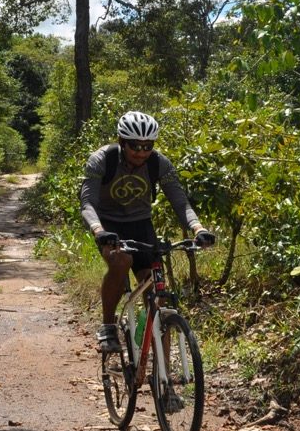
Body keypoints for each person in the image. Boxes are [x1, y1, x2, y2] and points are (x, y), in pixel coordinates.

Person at [80, 111, 216, 353]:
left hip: (142, 225)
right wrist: (99, 230)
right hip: (109, 226)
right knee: (121, 260)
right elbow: (88, 202)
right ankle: (108, 326)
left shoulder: (158, 163)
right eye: (135, 146)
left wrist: (198, 228)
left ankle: (165, 383)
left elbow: (179, 201)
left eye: (148, 146)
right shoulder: (102, 159)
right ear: (122, 141)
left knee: (157, 294)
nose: (142, 152)